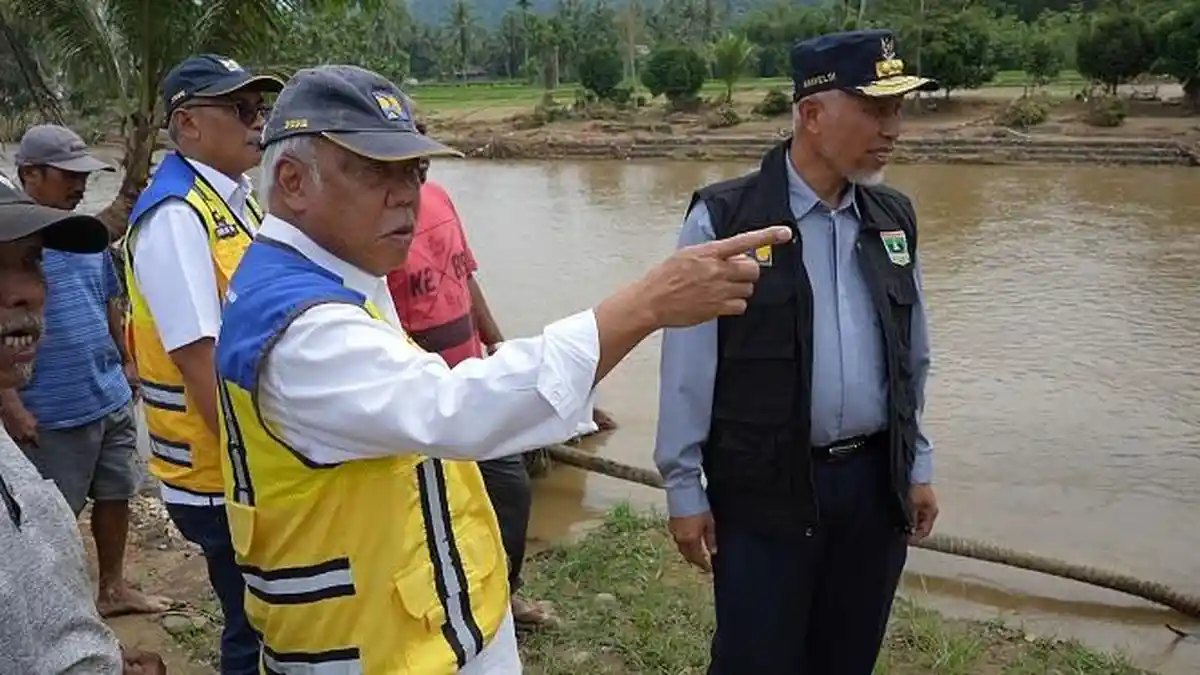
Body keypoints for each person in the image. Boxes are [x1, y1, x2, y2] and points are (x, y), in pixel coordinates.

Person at [212, 64, 787, 674]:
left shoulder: (335, 275)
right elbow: (458, 408)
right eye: (378, 170)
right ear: (294, 182)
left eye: (416, 169)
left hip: (427, 627)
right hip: (371, 652)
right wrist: (645, 305)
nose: (407, 192)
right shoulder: (301, 325)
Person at [653, 29, 941, 674]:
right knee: (757, 657)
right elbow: (687, 368)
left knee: (848, 653)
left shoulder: (892, 218)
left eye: (897, 109)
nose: (892, 127)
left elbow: (913, 354)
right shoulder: (727, 220)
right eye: (873, 108)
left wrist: (916, 462)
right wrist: (683, 487)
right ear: (812, 114)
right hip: (764, 490)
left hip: (873, 488)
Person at [387, 123, 616, 630]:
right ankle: (433, 612)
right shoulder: (375, 227)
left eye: (422, 162)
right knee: (426, 513)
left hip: (475, 378)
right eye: (403, 164)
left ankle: (504, 595)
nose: (416, 174)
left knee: (509, 493)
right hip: (422, 396)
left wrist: (498, 344)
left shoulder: (441, 200)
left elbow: (464, 277)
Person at [124, 54, 281, 675]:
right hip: (222, 473)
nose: (257, 122)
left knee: (270, 616)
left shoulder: (237, 201)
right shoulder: (176, 217)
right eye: (240, 110)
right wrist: (264, 468)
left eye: (259, 109)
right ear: (188, 125)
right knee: (256, 625)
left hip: (244, 457)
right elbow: (200, 362)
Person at [1, 125, 170, 619]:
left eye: (84, 176)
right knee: (50, 517)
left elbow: (109, 300)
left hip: (108, 394)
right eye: (68, 174)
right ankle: (56, 614)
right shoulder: (12, 244)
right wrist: (12, 406)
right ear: (30, 174)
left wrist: (128, 363)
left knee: (117, 493)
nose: (79, 185)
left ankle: (112, 589)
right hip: (51, 410)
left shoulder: (86, 238)